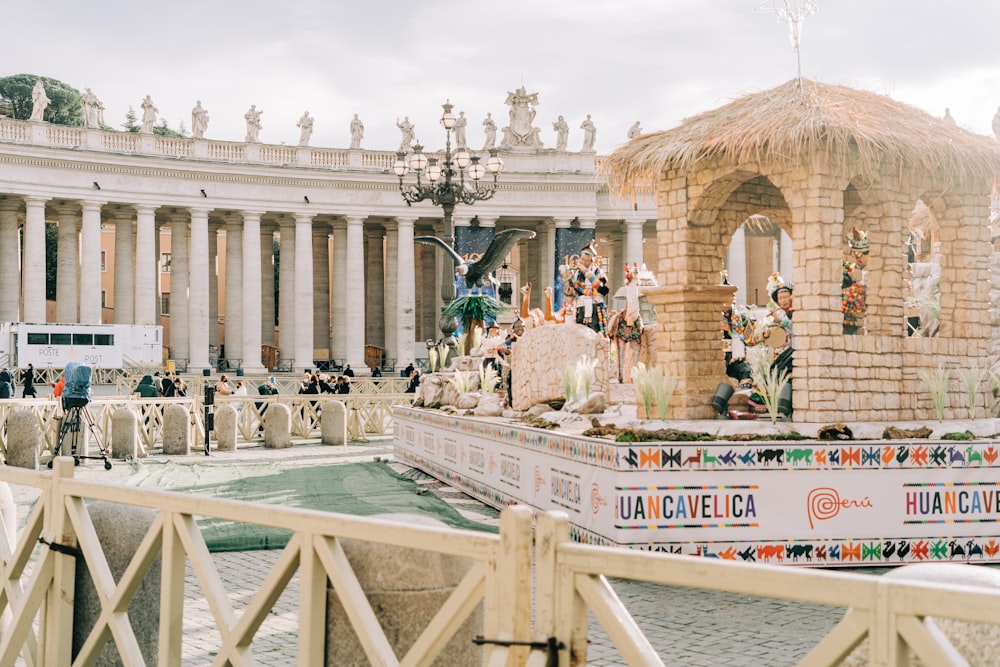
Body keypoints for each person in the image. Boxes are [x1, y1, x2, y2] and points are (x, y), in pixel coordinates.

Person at [568, 241, 610, 335]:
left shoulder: (597, 271)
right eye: (582, 259)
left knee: (595, 332)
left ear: (592, 261)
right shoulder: (576, 273)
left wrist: (586, 271)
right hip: (581, 306)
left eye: (587, 260)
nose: (583, 262)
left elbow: (597, 284)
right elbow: (573, 288)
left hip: (595, 306)